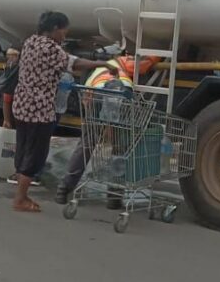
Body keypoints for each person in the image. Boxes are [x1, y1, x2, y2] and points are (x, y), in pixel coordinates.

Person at [11, 11, 115, 212]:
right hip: (39, 110)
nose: (65, 36)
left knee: (24, 149)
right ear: (56, 29)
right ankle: (20, 198)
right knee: (35, 154)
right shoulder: (50, 48)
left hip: (22, 105)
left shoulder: (30, 41)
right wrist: (103, 64)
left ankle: (20, 194)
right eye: (64, 32)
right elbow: (74, 63)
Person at [55, 55, 160, 206]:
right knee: (119, 146)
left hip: (96, 92)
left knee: (87, 142)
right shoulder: (121, 62)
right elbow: (143, 65)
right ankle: (115, 196)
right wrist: (157, 58)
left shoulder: (94, 74)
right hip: (122, 93)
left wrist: (97, 127)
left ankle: (64, 188)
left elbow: (87, 101)